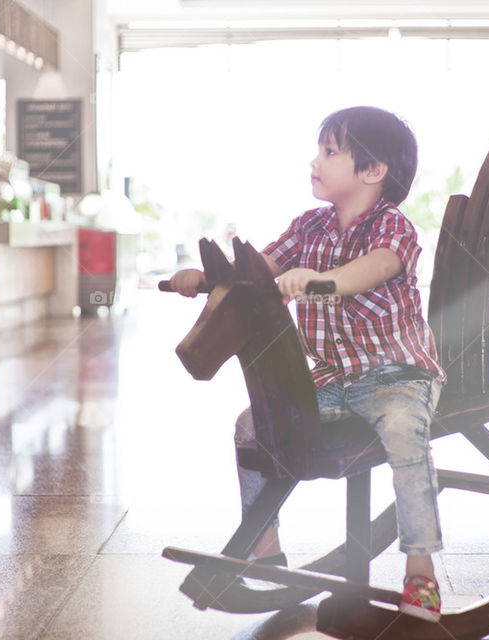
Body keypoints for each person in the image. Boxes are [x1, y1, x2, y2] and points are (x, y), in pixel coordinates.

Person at [169, 106, 447, 621]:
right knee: (252, 425)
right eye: (320, 149)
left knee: (407, 435)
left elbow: (375, 268)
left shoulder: (394, 228)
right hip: (335, 380)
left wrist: (321, 279)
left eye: (330, 151)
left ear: (372, 170)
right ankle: (266, 543)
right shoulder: (309, 226)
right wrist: (204, 279)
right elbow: (254, 274)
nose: (315, 161)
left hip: (398, 378)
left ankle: (421, 570)